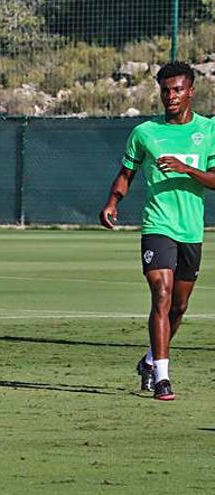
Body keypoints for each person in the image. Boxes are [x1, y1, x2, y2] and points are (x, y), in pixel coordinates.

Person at [99, 62, 215, 401]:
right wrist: (112, 201)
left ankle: (149, 361)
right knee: (161, 295)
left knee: (179, 307)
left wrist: (185, 168)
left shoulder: (208, 130)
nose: (171, 96)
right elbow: (126, 173)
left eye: (177, 89)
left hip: (191, 230)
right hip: (157, 225)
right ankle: (163, 378)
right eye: (165, 90)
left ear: (191, 91)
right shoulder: (145, 133)